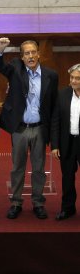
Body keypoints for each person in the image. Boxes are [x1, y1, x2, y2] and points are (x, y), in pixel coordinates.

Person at [0, 37, 58, 219]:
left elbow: (53, 106)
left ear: (39, 54)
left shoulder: (50, 75)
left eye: (33, 52)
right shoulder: (15, 69)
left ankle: (38, 202)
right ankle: (16, 202)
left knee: (39, 168)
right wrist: (0, 49)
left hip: (39, 128)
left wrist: (53, 135)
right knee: (18, 168)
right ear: (22, 57)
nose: (30, 56)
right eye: (27, 53)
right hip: (20, 128)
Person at [51, 64, 80, 220]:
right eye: (72, 78)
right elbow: (55, 121)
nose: (74, 81)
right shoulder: (62, 94)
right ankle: (68, 208)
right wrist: (55, 145)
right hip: (67, 143)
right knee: (67, 178)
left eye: (77, 78)